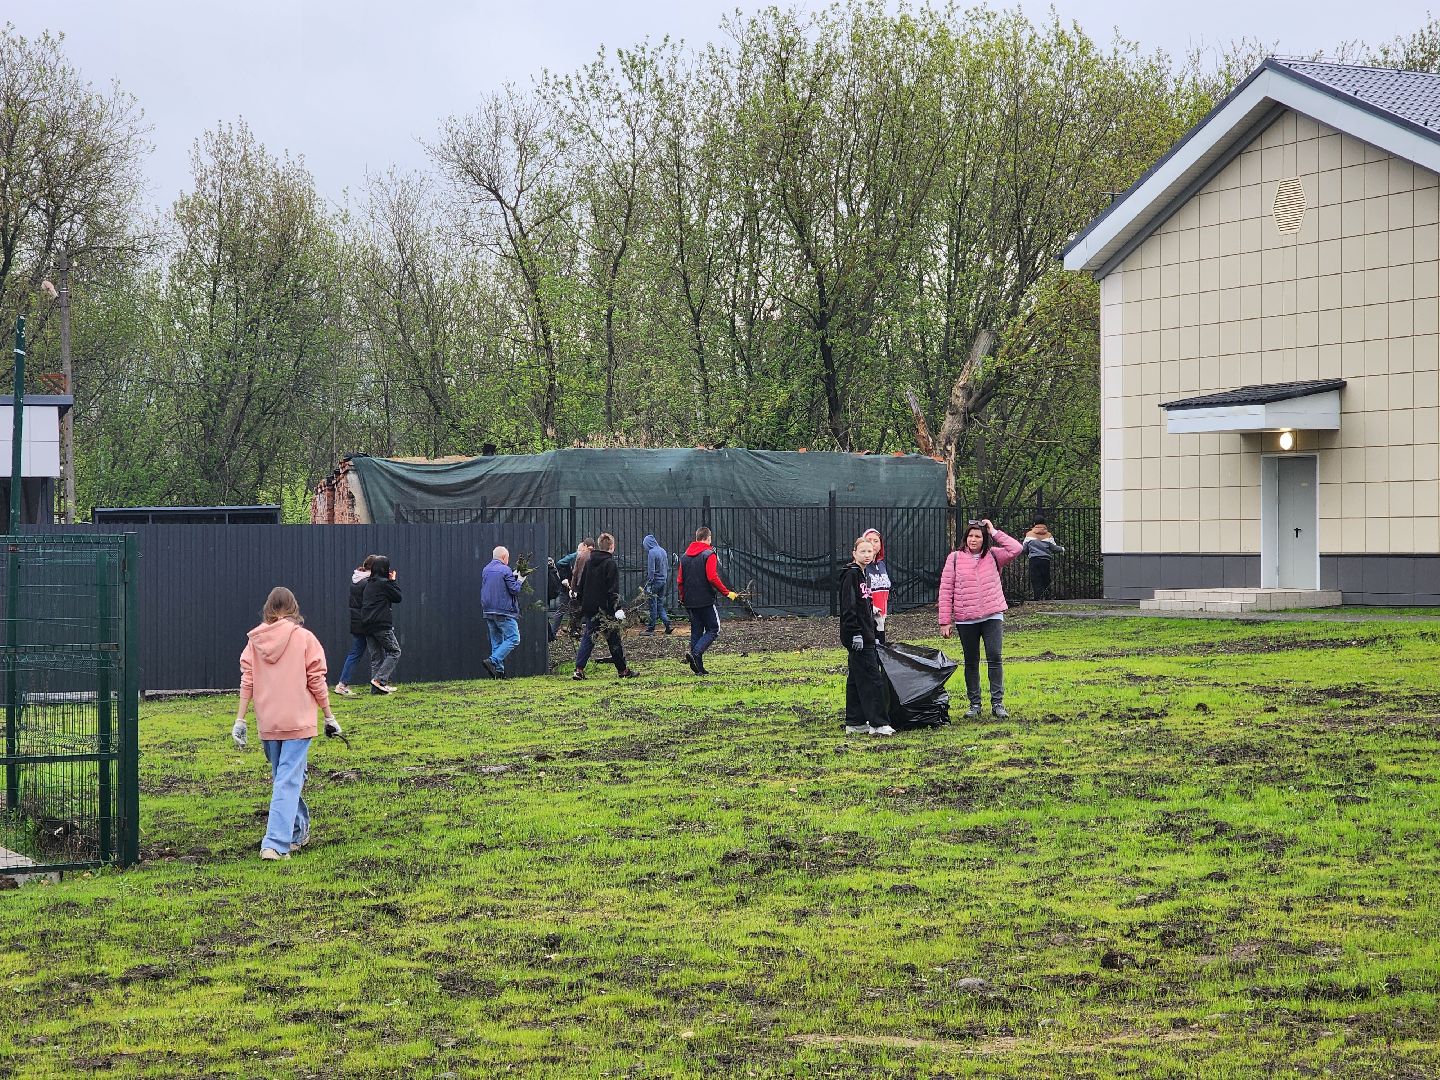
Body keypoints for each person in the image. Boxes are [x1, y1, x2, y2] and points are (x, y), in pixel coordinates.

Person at [232, 586, 341, 861]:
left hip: (268, 722)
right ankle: (275, 844)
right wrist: (329, 715)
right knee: (288, 781)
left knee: (286, 779)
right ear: (294, 609)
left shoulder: (254, 642)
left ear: (267, 609)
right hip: (298, 720)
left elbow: (248, 680)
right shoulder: (305, 639)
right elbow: (316, 679)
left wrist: (240, 719)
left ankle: (296, 830)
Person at [938, 519, 1022, 719]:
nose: (973, 540)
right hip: (966, 619)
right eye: (970, 536)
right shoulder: (955, 558)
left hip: (992, 615)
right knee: (971, 661)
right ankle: (974, 704)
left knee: (995, 657)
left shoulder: (993, 555)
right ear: (965, 538)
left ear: (985, 540)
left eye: (978, 536)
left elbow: (1016, 548)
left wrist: (994, 531)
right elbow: (946, 588)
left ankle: (997, 703)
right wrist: (944, 620)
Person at [841, 536, 895, 736]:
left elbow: (861, 602)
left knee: (856, 678)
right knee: (873, 678)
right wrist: (856, 633)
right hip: (859, 636)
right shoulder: (851, 575)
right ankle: (879, 723)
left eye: (869, 551)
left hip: (866, 631)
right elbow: (848, 607)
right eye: (862, 551)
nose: (866, 555)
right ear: (854, 554)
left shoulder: (863, 575)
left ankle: (854, 722)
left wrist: (871, 612)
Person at [572, 532, 636, 680]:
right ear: (612, 546)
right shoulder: (610, 564)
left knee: (588, 637)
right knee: (613, 640)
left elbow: (581, 586)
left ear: (599, 546)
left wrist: (581, 603)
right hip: (605, 609)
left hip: (590, 608)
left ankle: (579, 669)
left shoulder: (589, 562)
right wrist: (617, 608)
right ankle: (622, 670)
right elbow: (612, 589)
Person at [677, 525, 738, 675]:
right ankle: (695, 653)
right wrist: (726, 593)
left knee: (697, 631)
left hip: (690, 600)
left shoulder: (684, 557)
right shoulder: (709, 554)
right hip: (705, 600)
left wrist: (683, 598)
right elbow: (712, 577)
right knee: (713, 628)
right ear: (708, 538)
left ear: (697, 537)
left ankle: (699, 669)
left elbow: (680, 580)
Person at [333, 554, 377, 696]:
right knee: (378, 653)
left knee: (356, 653)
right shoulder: (368, 582)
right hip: (366, 622)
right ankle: (380, 683)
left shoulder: (357, 580)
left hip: (357, 622)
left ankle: (342, 684)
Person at [481, 545, 527, 678]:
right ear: (503, 557)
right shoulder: (505, 569)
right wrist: (519, 580)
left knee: (497, 641)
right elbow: (514, 590)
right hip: (503, 611)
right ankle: (492, 661)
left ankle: (499, 672)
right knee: (514, 638)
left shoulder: (486, 569)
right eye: (507, 558)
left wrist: (512, 576)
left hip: (488, 610)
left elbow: (497, 584)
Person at [359, 554, 402, 694]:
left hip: (367, 625)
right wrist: (393, 581)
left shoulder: (369, 584)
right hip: (380, 624)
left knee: (377, 657)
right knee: (395, 651)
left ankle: (376, 690)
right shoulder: (384, 584)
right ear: (385, 569)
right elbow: (398, 597)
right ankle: (379, 680)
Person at [556, 537, 595, 638]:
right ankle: (556, 631)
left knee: (573, 609)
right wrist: (566, 578)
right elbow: (561, 563)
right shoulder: (578, 555)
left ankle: (573, 630)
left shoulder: (582, 556)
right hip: (572, 587)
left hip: (574, 587)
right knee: (566, 609)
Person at [860, 527, 892, 644]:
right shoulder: (862, 566)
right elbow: (862, 591)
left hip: (881, 618)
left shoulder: (881, 565)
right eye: (869, 540)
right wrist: (870, 607)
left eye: (876, 541)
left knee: (881, 649)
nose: (873, 544)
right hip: (867, 617)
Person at [1022, 519, 1065, 601]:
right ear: (1044, 524)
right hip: (1045, 560)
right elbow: (1054, 548)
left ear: (1034, 523)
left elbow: (1024, 549)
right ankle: (1047, 597)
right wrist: (1062, 549)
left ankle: (1037, 598)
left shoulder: (1029, 534)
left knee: (1036, 579)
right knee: (1046, 578)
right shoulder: (1048, 535)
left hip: (1034, 559)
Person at [642, 533, 674, 635]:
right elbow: (666, 567)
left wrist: (649, 583)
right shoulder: (662, 551)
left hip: (655, 582)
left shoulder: (652, 552)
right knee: (660, 604)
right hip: (663, 581)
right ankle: (667, 624)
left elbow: (651, 571)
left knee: (652, 605)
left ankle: (651, 628)